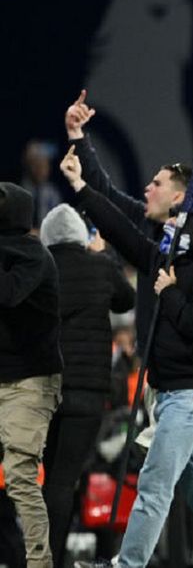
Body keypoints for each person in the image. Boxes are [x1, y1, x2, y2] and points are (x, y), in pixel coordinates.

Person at [62, 149, 193, 568]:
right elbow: (120, 230)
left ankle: (127, 565)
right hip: (176, 396)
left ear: (179, 199)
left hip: (189, 397)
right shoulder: (169, 255)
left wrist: (169, 293)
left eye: (157, 183)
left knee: (154, 487)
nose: (147, 188)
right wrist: (78, 186)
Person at [39, 205, 134, 568]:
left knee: (48, 479)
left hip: (44, 390)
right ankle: (51, 560)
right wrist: (104, 254)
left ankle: (39, 556)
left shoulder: (39, 266)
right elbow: (126, 299)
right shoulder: (100, 266)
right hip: (89, 393)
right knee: (65, 480)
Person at [0, 182, 62, 568]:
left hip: (30, 382)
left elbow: (7, 293)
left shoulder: (34, 255)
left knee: (21, 477)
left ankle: (39, 564)